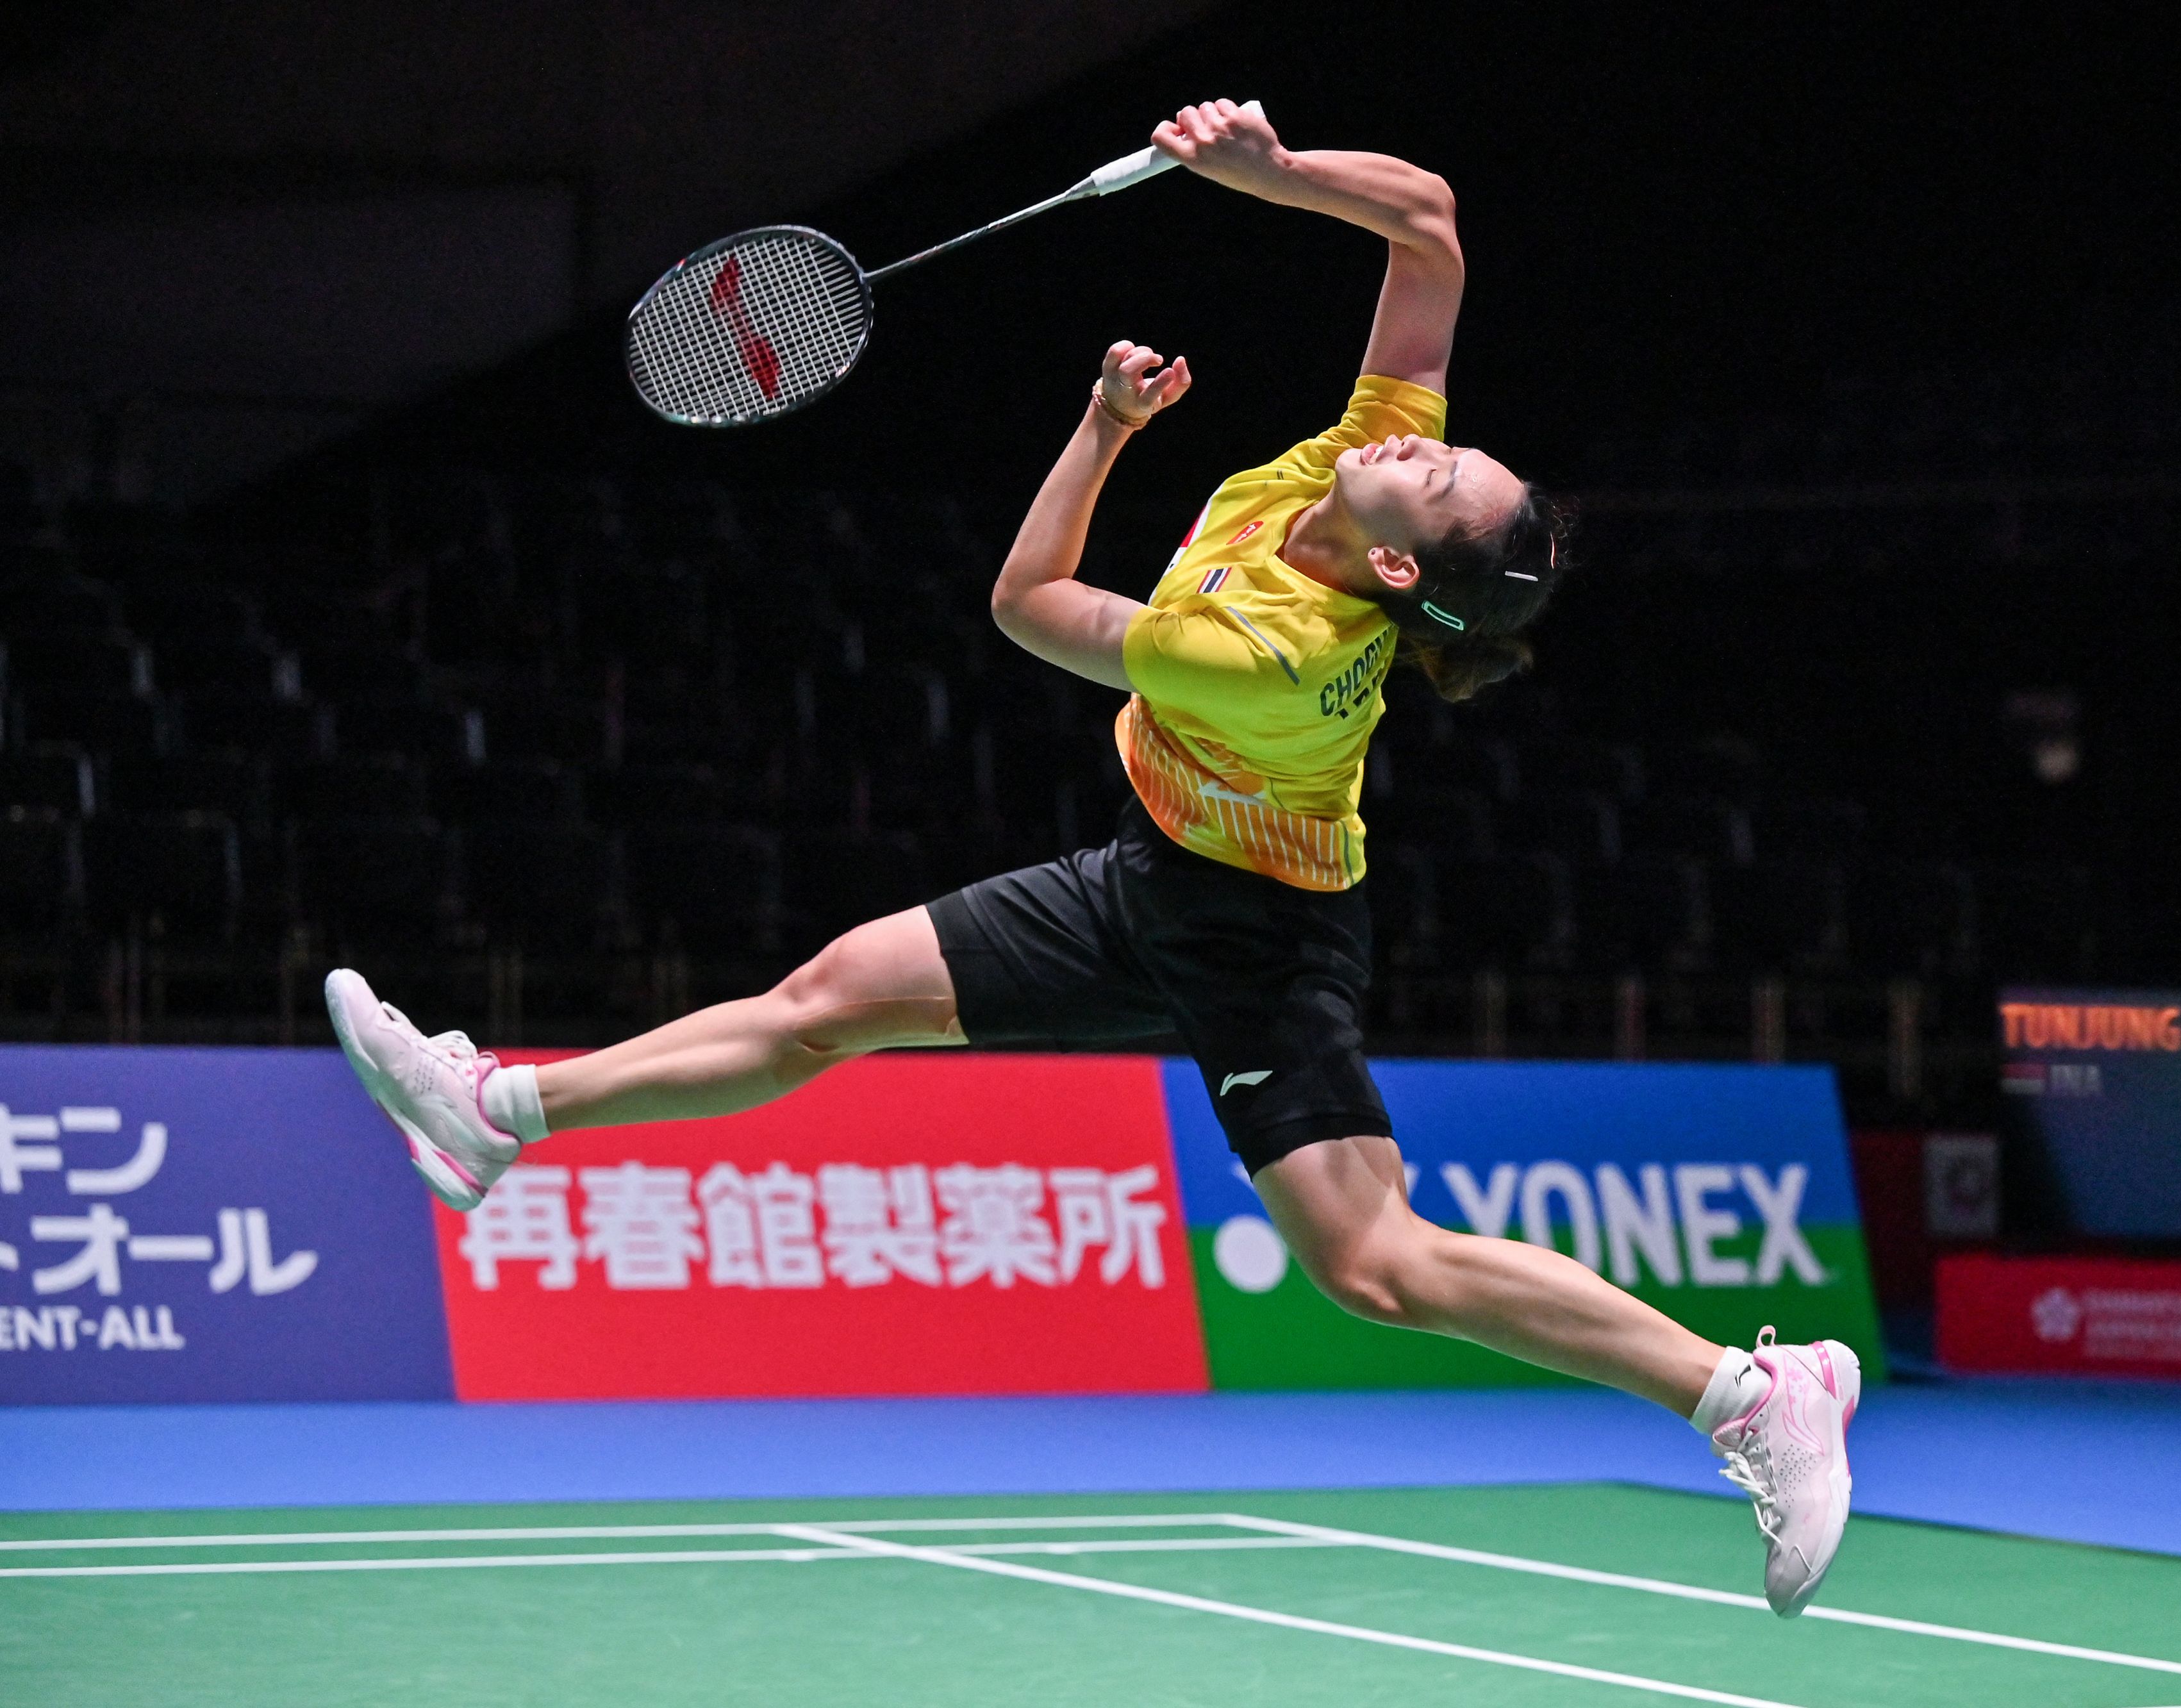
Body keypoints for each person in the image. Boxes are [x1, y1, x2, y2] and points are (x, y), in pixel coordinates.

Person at [324, 100, 1858, 1616]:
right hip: (1152, 873)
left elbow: (1027, 602)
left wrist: (1103, 430)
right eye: (1455, 452)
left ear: (1400, 559)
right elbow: (1430, 221)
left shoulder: (1263, 654)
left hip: (1259, 935)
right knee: (828, 998)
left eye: (1447, 477)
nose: (1433, 446)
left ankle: (1746, 1393)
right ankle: (494, 1110)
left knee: (1375, 1264)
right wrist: (1268, 172)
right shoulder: (1364, 461)